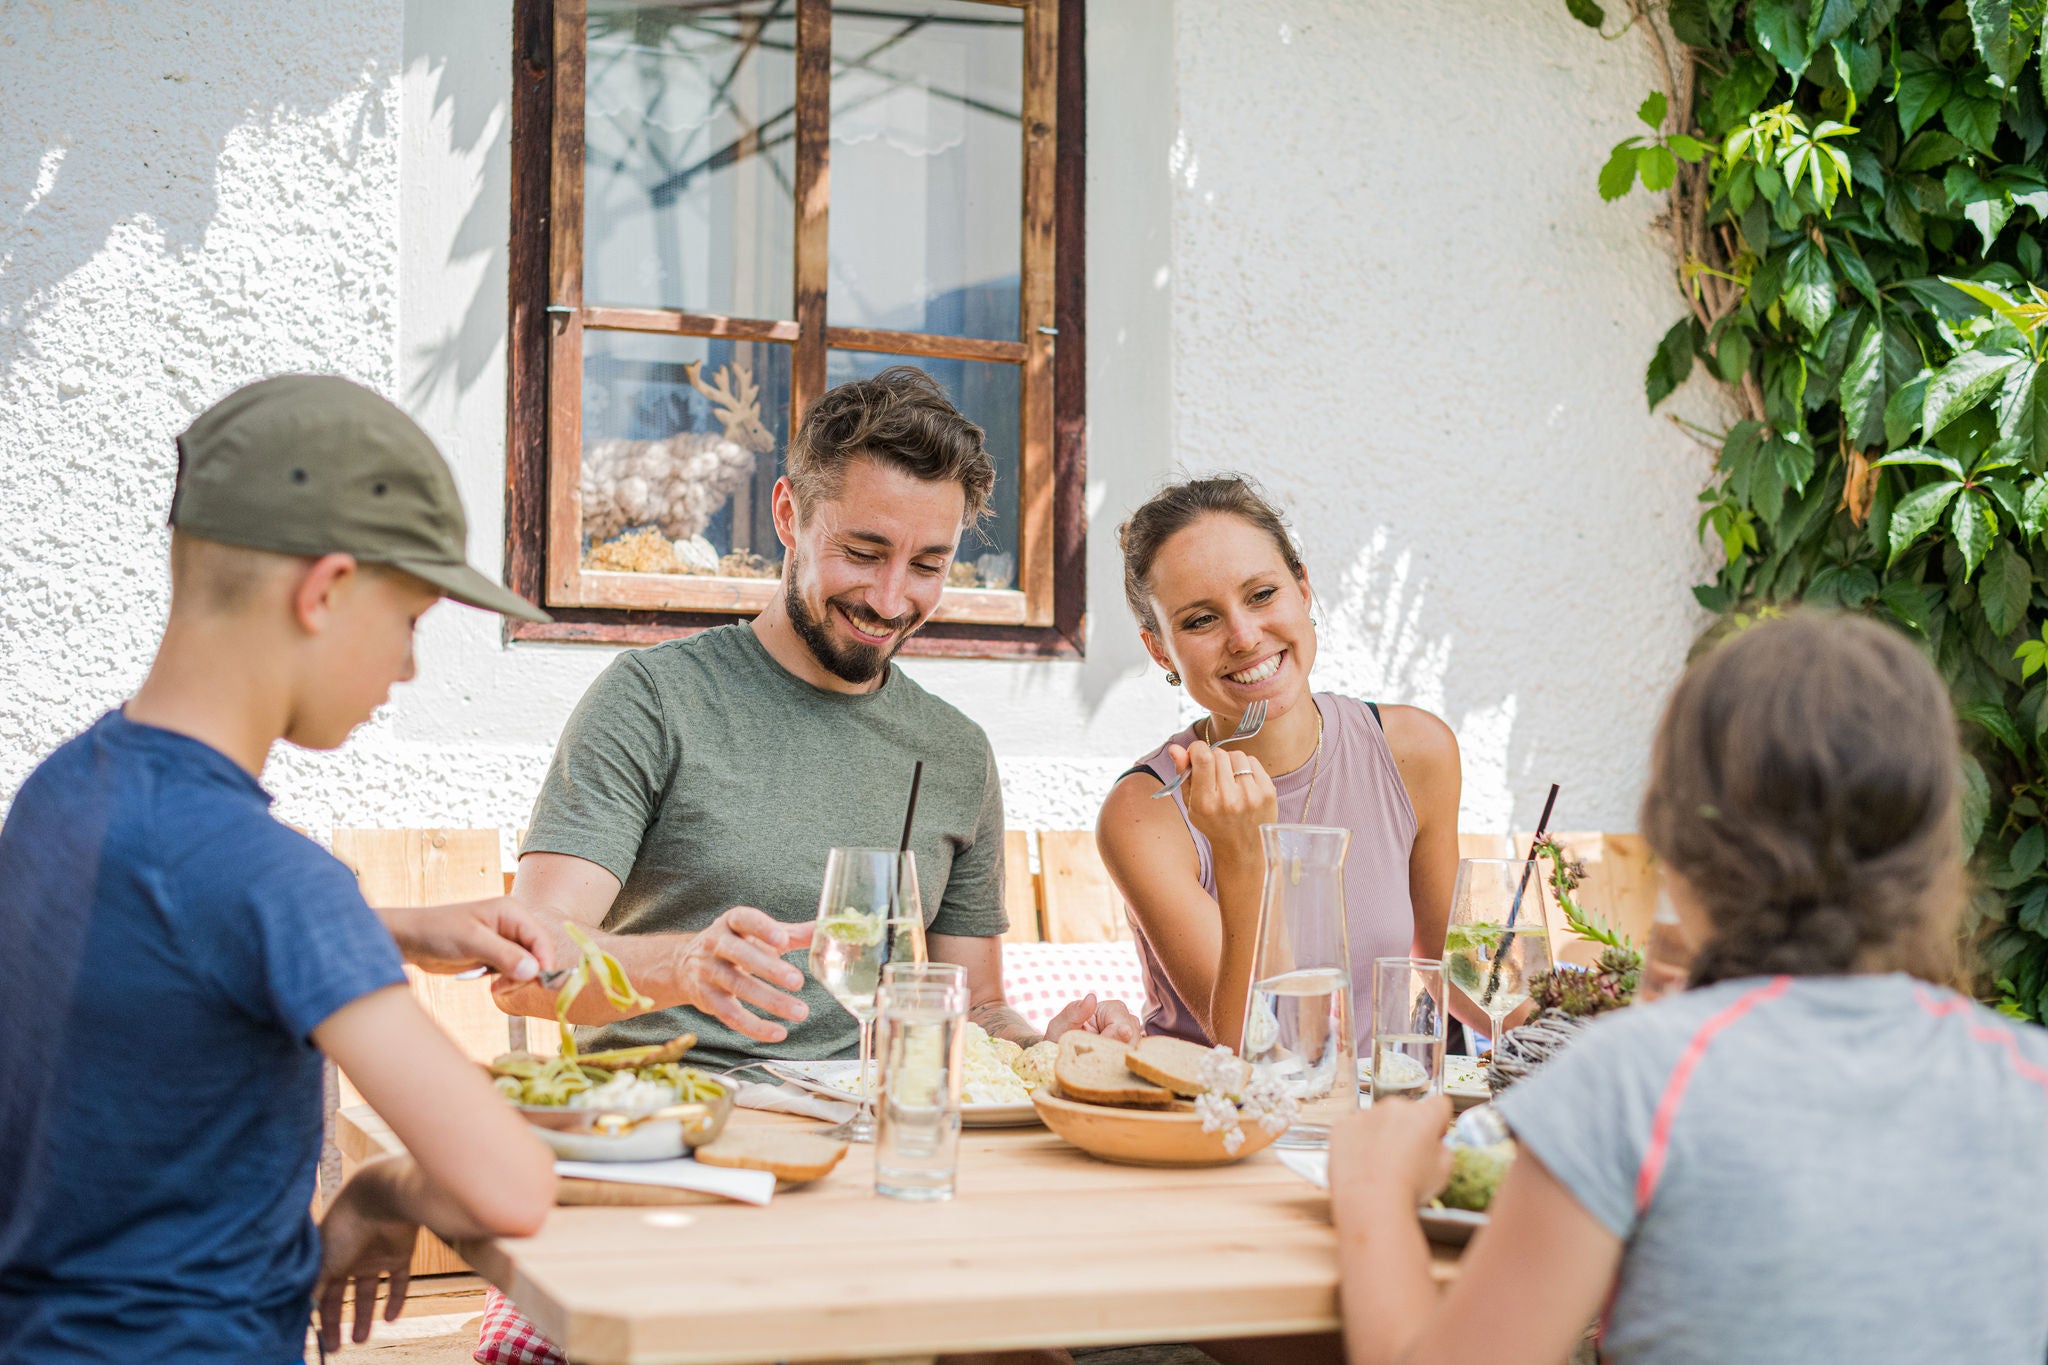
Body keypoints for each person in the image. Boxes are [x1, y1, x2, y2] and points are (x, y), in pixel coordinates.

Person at [0, 375, 561, 1363]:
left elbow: (153, 946)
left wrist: (393, 926)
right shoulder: (282, 885)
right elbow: (505, 1183)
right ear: (326, 590)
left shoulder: (61, 792)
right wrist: (385, 1186)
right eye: (412, 623)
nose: (408, 670)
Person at [1328, 612, 2048, 1365]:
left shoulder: (1631, 1080)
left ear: (1676, 844)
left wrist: (1373, 1188)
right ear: (1938, 844)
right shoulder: (2033, 1083)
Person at [492, 367, 1135, 1065]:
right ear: (789, 515)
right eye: (862, 553)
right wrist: (681, 965)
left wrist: (1047, 1046)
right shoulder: (653, 699)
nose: (890, 600)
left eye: (927, 565)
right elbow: (530, 967)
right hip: (672, 1128)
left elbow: (972, 1008)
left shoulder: (955, 753)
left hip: (864, 1138)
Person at [1097, 476, 1472, 1054]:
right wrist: (1243, 853)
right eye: (1200, 620)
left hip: (1388, 1117)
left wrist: (1575, 1016)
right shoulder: (1145, 812)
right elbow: (1257, 1045)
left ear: (1303, 588)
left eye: (1262, 594)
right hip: (1226, 1127)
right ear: (1160, 650)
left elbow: (1446, 961)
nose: (1245, 636)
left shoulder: (1415, 750)